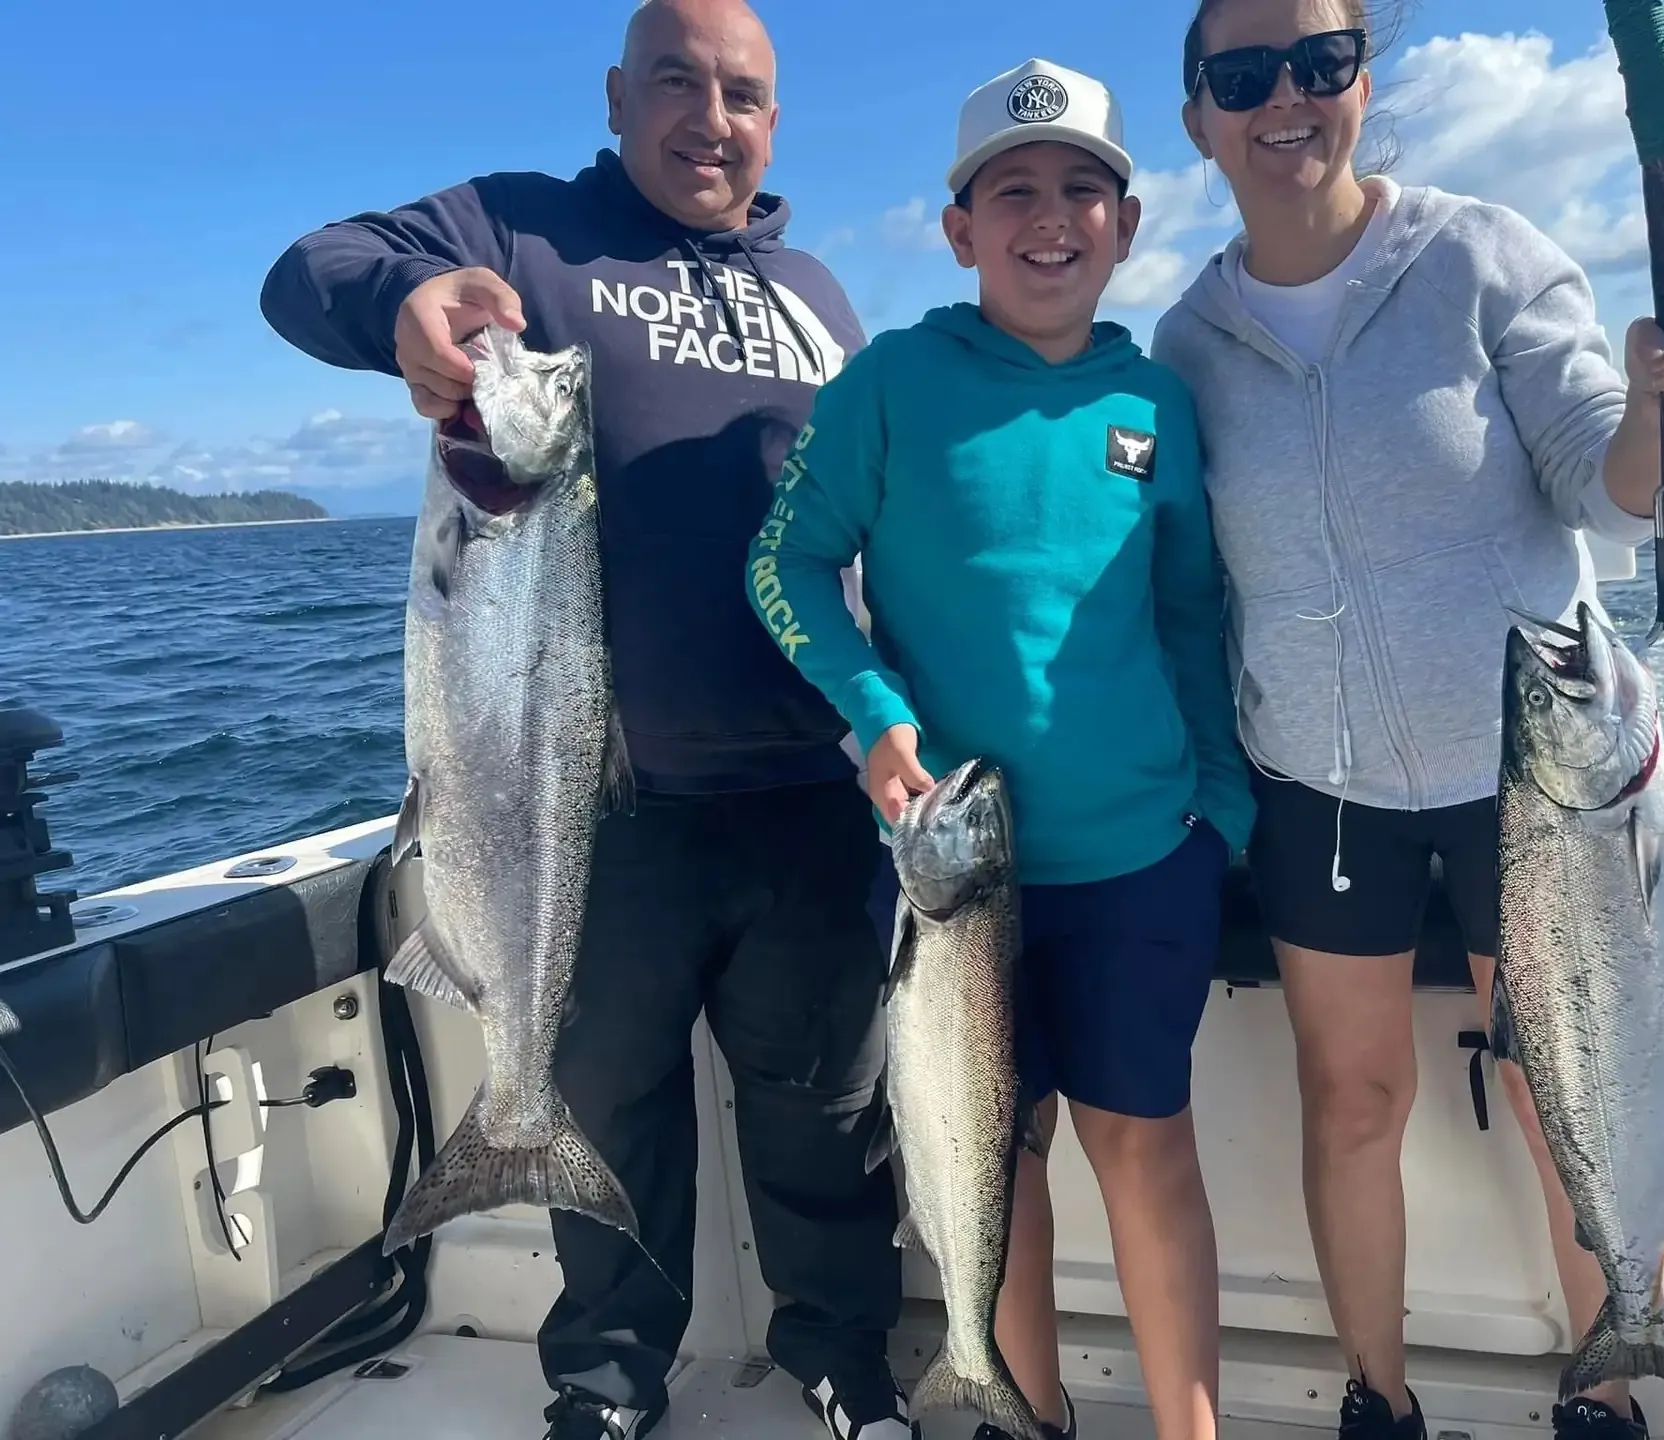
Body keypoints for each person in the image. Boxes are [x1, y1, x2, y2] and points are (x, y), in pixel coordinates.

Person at [257, 4, 917, 1439]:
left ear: (775, 122)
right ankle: (608, 1382)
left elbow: (873, 530)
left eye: (743, 93)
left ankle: (846, 1366)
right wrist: (404, 314)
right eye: (676, 81)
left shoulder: (813, 290)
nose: (710, 115)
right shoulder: (518, 231)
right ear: (617, 96)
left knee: (825, 1120)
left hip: (809, 798)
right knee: (607, 1110)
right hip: (587, 805)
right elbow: (306, 273)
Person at [1150, 3, 1664, 1438]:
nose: (1286, 99)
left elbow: (1603, 484)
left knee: (1576, 1103)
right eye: (1245, 77)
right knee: (1351, 1104)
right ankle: (1378, 1398)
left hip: (1543, 784)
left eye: (1322, 61)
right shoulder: (1186, 341)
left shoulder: (1477, 259)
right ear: (1198, 119)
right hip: (1323, 783)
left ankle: (1609, 1388)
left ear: (1365, 79)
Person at [743, 57, 1257, 1440]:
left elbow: (1194, 616)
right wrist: (872, 711)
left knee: (1147, 1151)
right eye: (1012, 191)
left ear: (1128, 225)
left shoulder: (1158, 405)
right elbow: (787, 563)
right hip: (951, 882)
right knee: (998, 1160)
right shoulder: (893, 383)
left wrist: (1222, 810)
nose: (1050, 217)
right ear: (959, 229)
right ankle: (1020, 1415)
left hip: (1146, 855)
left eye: (1083, 190)